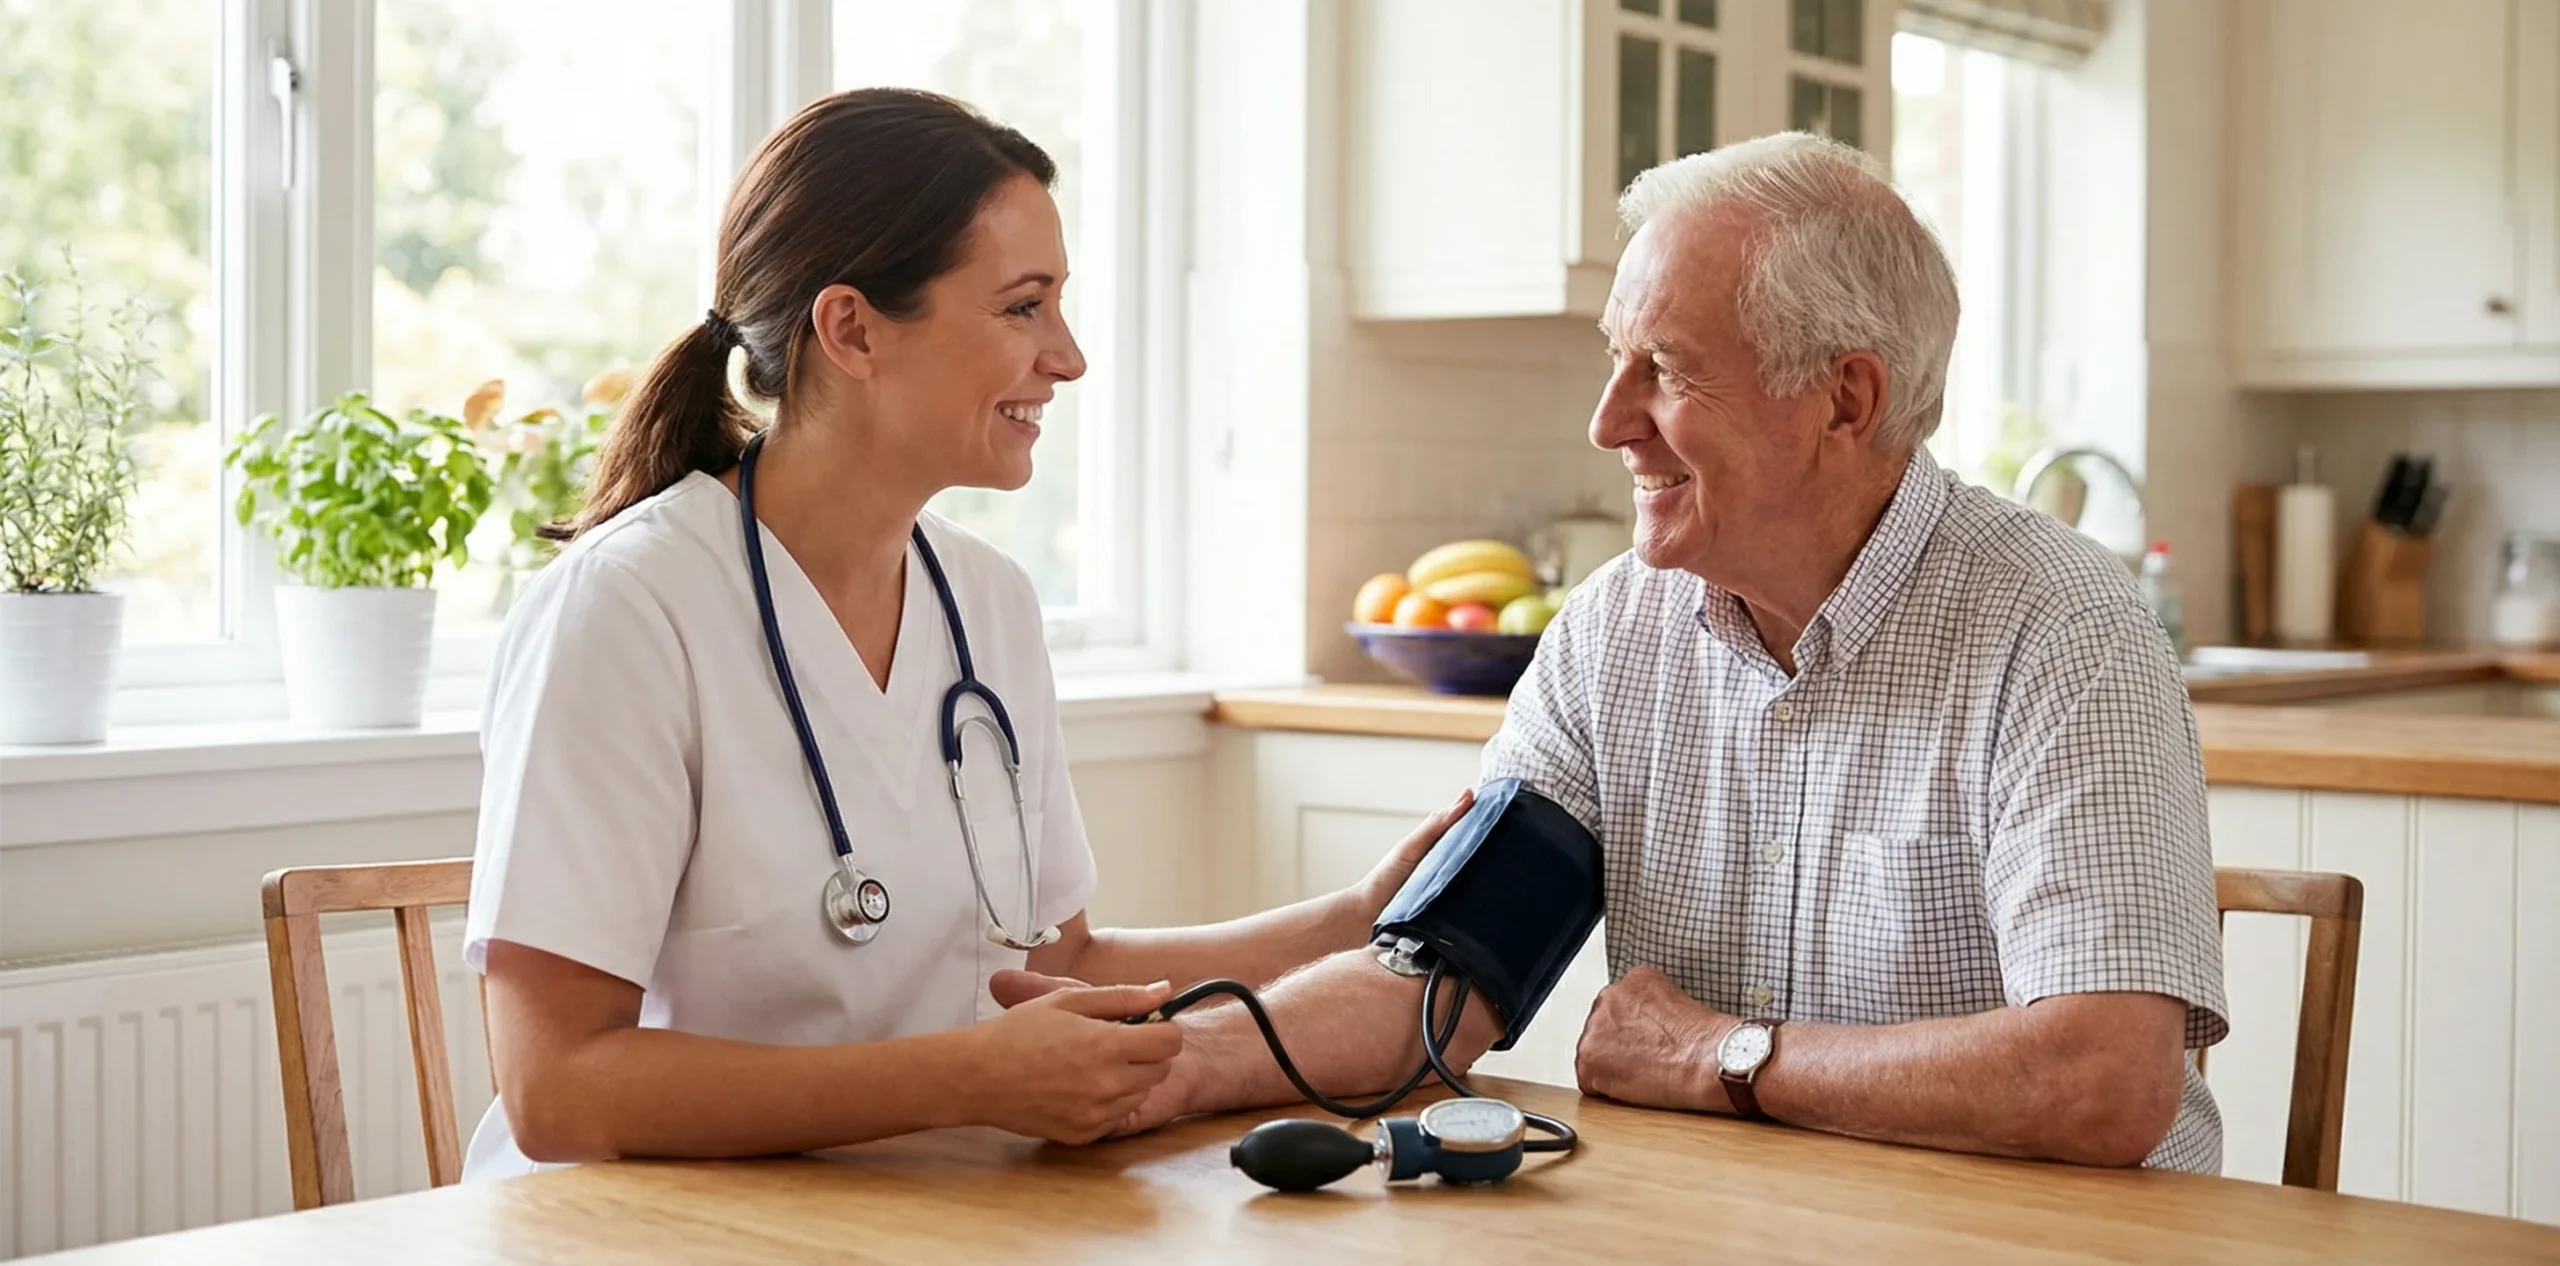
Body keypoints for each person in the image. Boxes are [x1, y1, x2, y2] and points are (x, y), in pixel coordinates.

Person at [1051, 132, 2231, 1172]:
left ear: (1844, 400)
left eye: (1663, 369)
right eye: (1616, 360)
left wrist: (1724, 1056)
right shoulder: (1616, 630)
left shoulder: (2060, 627)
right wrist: (1169, 1066)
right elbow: (1438, 984)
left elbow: (2104, 1080)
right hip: (1723, 1220)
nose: (1608, 421)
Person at [461, 88, 1471, 1180]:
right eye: (1022, 308)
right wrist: (967, 1079)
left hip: (910, 1207)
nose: (1070, 357)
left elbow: (1057, 958)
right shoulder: (627, 608)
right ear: (851, 329)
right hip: (643, 1231)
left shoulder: (986, 601)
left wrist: (1355, 916)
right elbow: (556, 1091)